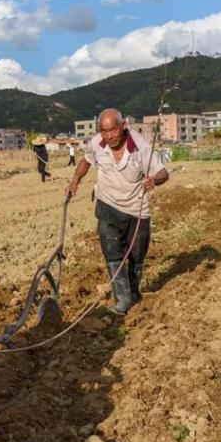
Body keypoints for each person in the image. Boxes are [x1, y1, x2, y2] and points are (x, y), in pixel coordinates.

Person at [66, 108, 169, 314]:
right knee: (113, 253)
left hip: (136, 210)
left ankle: (133, 294)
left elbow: (163, 173)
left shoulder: (140, 147)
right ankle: (122, 300)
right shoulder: (97, 143)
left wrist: (153, 180)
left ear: (123, 126)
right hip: (107, 205)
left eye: (113, 130)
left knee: (136, 257)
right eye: (104, 131)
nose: (109, 136)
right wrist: (74, 182)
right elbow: (86, 162)